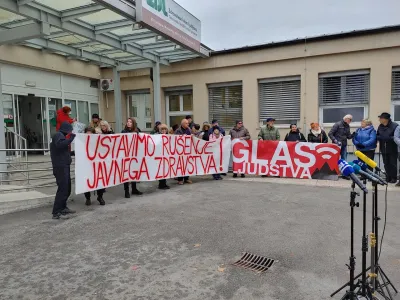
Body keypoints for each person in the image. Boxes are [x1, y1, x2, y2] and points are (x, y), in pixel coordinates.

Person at [50, 121, 76, 219]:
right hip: (60, 167)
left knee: (67, 188)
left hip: (64, 166)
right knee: (62, 189)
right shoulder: (58, 135)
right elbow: (60, 145)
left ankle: (63, 207)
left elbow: (62, 150)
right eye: (70, 131)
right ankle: (56, 211)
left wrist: (73, 153)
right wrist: (70, 139)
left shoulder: (62, 136)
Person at [83, 126, 106, 205]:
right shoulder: (82, 141)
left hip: (96, 165)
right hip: (86, 165)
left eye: (90, 134)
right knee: (87, 182)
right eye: (87, 134)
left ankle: (100, 196)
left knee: (99, 181)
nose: (88, 135)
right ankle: (87, 198)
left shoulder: (98, 141)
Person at [121, 118, 143, 197]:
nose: (128, 123)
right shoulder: (123, 132)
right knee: (126, 173)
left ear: (133, 123)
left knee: (133, 172)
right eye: (127, 121)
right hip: (126, 155)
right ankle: (126, 191)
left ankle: (134, 189)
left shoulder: (137, 131)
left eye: (130, 122)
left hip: (134, 154)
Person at [377, 113, 399, 183]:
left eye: (381, 118)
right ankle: (388, 177)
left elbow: (396, 137)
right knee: (386, 163)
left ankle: (393, 177)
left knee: (393, 163)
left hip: (392, 147)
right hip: (383, 147)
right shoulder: (380, 126)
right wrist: (380, 137)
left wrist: (388, 138)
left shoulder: (395, 126)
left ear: (385, 119)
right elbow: (378, 135)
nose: (379, 119)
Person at [175, 119, 192, 185]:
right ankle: (180, 179)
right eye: (186, 123)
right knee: (180, 165)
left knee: (187, 165)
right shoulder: (178, 130)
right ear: (182, 124)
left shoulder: (189, 130)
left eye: (188, 123)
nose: (188, 124)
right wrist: (182, 137)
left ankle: (186, 178)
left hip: (187, 150)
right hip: (180, 151)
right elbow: (175, 139)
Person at [156, 124, 171, 190]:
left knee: (165, 170)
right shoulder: (157, 137)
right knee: (161, 170)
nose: (164, 131)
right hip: (160, 156)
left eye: (165, 129)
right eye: (162, 129)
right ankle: (161, 184)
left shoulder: (168, 136)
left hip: (166, 156)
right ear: (160, 130)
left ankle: (164, 184)